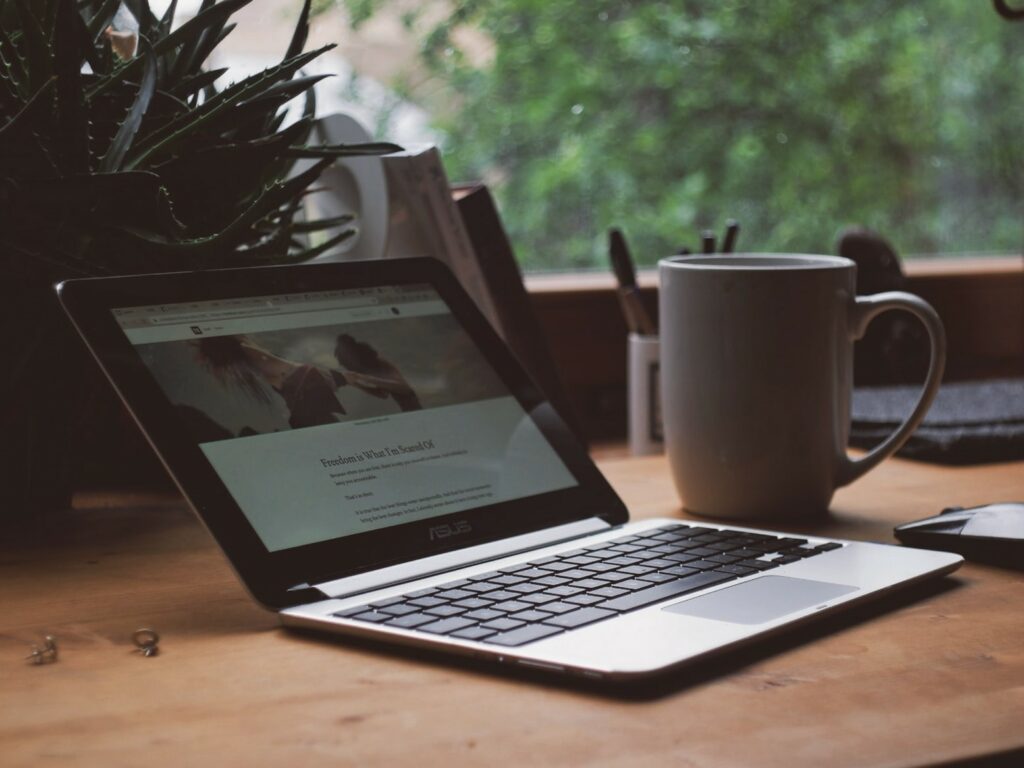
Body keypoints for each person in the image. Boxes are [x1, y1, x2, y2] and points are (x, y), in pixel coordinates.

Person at [194, 335, 389, 429]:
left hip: (298, 383)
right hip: (299, 381)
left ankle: (383, 387)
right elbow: (277, 364)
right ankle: (383, 387)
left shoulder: (239, 360)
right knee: (351, 380)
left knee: (351, 380)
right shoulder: (243, 353)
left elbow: (274, 365)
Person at [334, 334, 423, 412]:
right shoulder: (366, 369)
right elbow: (382, 394)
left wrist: (364, 378)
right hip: (406, 406)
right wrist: (355, 384)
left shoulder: (380, 363)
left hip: (412, 402)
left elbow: (404, 388)